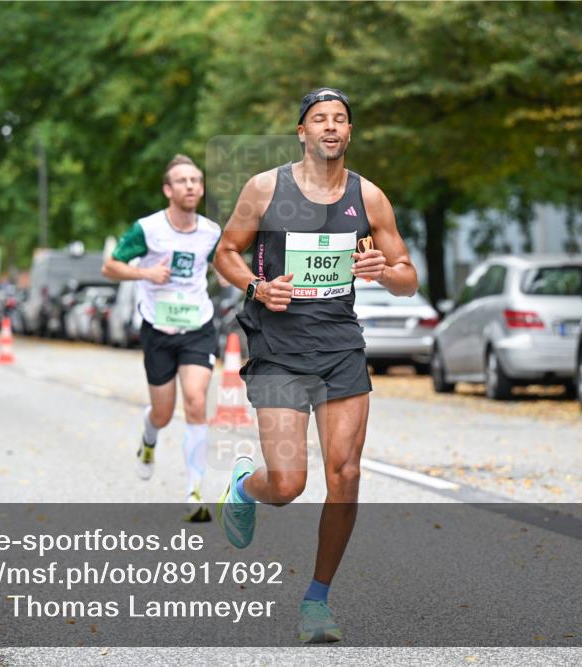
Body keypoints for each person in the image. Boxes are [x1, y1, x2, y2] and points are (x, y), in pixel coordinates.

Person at [212, 89, 419, 643]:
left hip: (339, 345)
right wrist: (256, 286)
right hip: (278, 346)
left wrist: (382, 269)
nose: (331, 127)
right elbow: (226, 253)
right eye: (319, 120)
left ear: (349, 133)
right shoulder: (265, 188)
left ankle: (317, 600)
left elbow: (408, 277)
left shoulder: (368, 197)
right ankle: (244, 489)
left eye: (341, 120)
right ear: (301, 132)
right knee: (288, 484)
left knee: (346, 476)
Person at [102, 154, 221, 523]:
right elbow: (110, 266)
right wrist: (146, 273)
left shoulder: (211, 232)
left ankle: (195, 491)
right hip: (157, 328)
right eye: (182, 181)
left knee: (197, 401)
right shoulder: (148, 229)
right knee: (164, 413)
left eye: (196, 180)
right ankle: (149, 437)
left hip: (198, 327)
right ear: (168, 190)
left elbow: (228, 265)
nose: (190, 186)